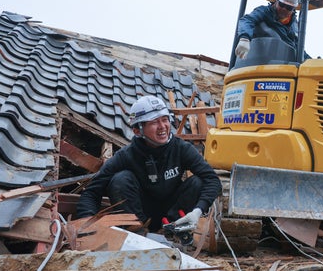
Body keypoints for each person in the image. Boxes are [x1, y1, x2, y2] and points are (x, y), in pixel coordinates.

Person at [76, 95, 222, 232]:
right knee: (120, 179)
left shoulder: (181, 148)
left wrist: (197, 211)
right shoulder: (126, 156)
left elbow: (212, 180)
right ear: (137, 131)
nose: (162, 126)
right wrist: (88, 226)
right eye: (154, 122)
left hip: (173, 216)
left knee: (197, 182)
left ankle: (173, 231)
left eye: (165, 119)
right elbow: (91, 193)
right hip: (139, 216)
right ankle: (138, 234)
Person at [234, 0, 305, 61]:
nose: (284, 9)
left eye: (289, 8)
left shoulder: (294, 25)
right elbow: (247, 20)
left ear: (293, 9)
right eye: (282, 5)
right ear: (276, 1)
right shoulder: (265, 12)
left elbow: (297, 47)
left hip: (287, 62)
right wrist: (245, 38)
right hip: (268, 60)